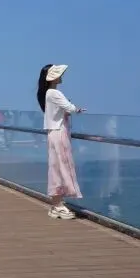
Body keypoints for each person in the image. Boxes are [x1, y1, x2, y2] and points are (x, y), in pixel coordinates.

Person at [38, 63, 86, 219]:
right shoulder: (54, 93)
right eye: (59, 74)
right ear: (53, 77)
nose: (61, 76)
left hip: (53, 132)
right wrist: (77, 109)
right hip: (59, 133)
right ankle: (58, 205)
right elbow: (70, 108)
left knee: (56, 168)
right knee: (63, 167)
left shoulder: (48, 93)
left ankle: (56, 204)